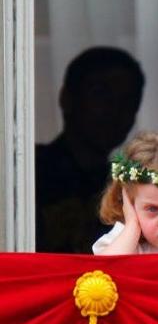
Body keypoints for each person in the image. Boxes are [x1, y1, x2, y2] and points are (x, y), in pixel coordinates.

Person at [35, 46, 145, 253]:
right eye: (101, 94)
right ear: (66, 97)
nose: (114, 110)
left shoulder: (127, 182)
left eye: (127, 100)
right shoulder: (30, 173)